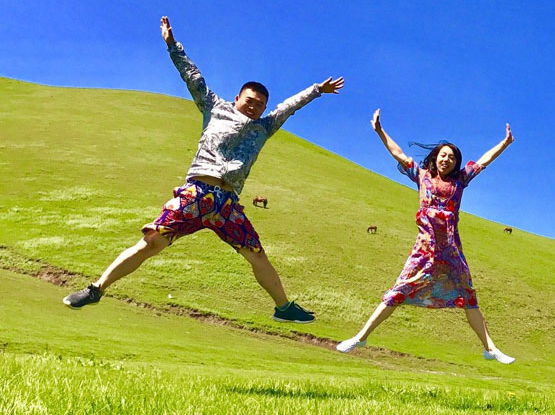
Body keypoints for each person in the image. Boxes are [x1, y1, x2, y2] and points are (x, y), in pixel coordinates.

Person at [62, 16, 345, 323]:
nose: (255, 107)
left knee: (256, 253)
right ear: (237, 98)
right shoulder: (215, 107)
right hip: (197, 193)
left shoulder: (265, 127)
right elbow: (192, 77)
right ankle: (96, 289)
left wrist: (316, 89)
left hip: (227, 205)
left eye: (261, 104)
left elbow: (288, 106)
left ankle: (283, 308)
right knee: (152, 242)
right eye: (250, 101)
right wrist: (172, 45)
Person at [336, 109, 516, 363]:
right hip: (424, 250)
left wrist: (504, 143)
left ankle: (490, 349)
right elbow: (397, 153)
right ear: (435, 157)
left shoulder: (461, 181)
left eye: (452, 158)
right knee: (398, 291)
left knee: (469, 296)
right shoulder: (422, 177)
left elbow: (484, 160)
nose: (447, 160)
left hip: (451, 250)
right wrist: (379, 131)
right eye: (444, 155)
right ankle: (362, 336)